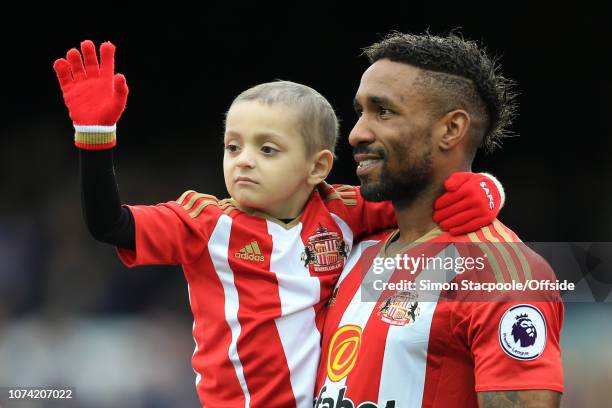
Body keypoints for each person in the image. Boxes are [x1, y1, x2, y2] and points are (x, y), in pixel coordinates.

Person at [53, 40, 504, 407]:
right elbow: (108, 225)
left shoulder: (343, 210)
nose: (244, 161)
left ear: (317, 166)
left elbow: (425, 195)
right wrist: (95, 140)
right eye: (233, 147)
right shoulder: (204, 223)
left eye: (267, 150)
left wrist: (486, 189)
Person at [314, 32, 563, 408]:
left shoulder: (501, 274)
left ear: (451, 129)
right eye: (361, 111)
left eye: (383, 111)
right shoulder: (349, 245)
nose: (356, 133)